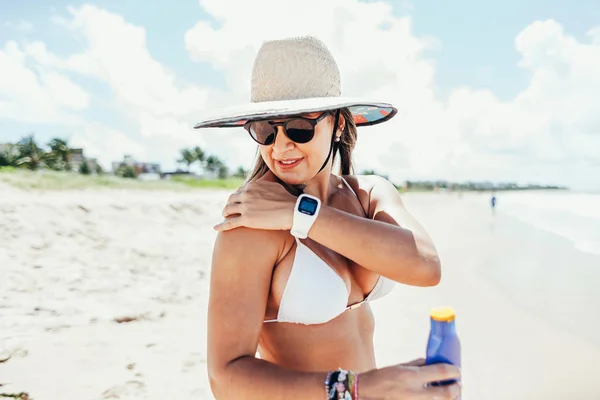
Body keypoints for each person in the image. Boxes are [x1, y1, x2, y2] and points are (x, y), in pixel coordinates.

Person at [194, 36, 461, 399]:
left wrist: (300, 214)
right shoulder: (251, 228)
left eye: (299, 127)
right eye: (266, 130)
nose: (281, 145)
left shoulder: (367, 195)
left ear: (337, 125)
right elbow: (225, 379)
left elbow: (426, 267)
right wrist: (358, 388)